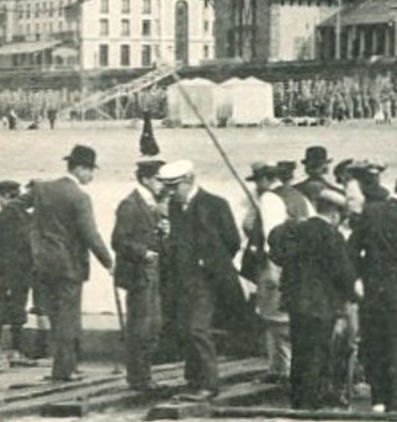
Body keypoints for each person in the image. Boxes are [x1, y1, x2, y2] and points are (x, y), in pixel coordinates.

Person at [22, 145, 114, 381]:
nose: (91, 176)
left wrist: (34, 237)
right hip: (69, 267)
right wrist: (108, 262)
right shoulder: (80, 197)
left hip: (42, 264)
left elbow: (14, 207)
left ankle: (61, 369)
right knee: (68, 319)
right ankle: (64, 372)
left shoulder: (41, 188)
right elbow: (90, 235)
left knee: (54, 316)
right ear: (80, 168)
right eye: (90, 171)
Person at [160, 158, 243, 401]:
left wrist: (211, 264)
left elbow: (232, 241)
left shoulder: (215, 204)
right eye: (168, 188)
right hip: (183, 279)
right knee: (185, 327)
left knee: (198, 328)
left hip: (208, 279)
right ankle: (194, 379)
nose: (170, 193)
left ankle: (209, 383)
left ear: (189, 180)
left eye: (174, 187)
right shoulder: (176, 208)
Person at [270, 187, 358, 410]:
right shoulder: (332, 235)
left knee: (300, 350)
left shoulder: (296, 230)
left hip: (296, 302)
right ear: (335, 214)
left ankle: (298, 399)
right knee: (319, 351)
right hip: (322, 304)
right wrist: (352, 297)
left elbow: (277, 253)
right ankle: (314, 400)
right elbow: (344, 273)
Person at [349, 173, 397, 413]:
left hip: (371, 291)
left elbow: (351, 250)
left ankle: (378, 400)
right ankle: (395, 402)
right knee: (396, 348)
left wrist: (363, 275)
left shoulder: (370, 213)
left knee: (374, 345)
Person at [111, 159, 169, 390]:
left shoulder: (151, 204)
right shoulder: (130, 205)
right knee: (140, 326)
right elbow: (118, 240)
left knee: (153, 325)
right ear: (145, 179)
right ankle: (138, 377)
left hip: (151, 272)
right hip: (138, 274)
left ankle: (143, 376)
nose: (161, 185)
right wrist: (143, 252)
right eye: (158, 179)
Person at [242, 162, 291, 384]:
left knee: (274, 318)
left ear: (264, 180)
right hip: (298, 265)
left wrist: (271, 270)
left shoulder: (270, 199)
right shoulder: (295, 195)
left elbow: (273, 236)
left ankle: (281, 369)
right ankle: (285, 367)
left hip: (277, 265)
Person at [0, 179, 33, 354]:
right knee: (19, 306)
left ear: (5, 196)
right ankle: (17, 348)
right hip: (22, 271)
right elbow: (33, 246)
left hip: (0, 269)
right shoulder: (29, 219)